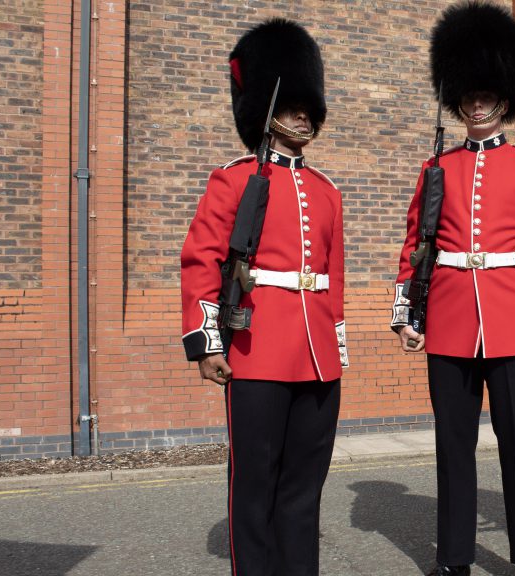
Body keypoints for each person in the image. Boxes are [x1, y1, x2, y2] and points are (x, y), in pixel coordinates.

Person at [390, 3, 515, 575]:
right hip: (448, 320)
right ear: (458, 97)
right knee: (452, 449)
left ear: (503, 95)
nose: (477, 103)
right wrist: (407, 313)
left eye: (486, 93)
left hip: (513, 320)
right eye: (468, 94)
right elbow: (415, 244)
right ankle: (454, 559)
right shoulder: (435, 167)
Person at [180, 18, 347, 576]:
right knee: (254, 486)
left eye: (309, 106)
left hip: (317, 355)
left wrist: (337, 342)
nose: (303, 115)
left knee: (304, 487)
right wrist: (208, 342)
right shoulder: (232, 180)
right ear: (269, 109)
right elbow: (202, 260)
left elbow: (333, 277)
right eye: (293, 105)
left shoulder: (326, 191)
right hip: (256, 350)